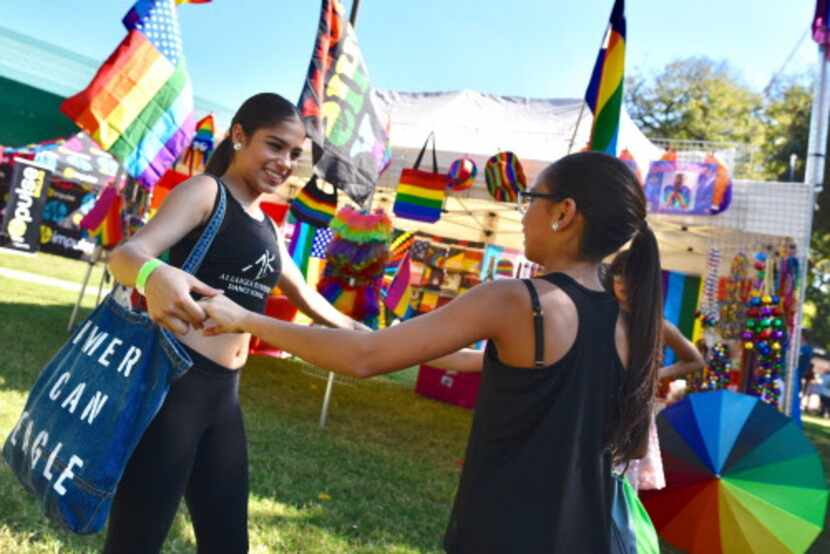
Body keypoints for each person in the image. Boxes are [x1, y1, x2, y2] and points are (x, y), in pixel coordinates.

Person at [199, 151, 663, 553]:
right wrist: (379, 337)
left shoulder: (520, 301)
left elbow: (363, 359)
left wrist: (246, 319)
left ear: (564, 212)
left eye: (532, 199)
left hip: (505, 535)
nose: (523, 214)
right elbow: (502, 370)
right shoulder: (630, 322)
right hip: (591, 538)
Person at [105, 93, 366, 554]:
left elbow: (309, 300)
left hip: (223, 398)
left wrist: (374, 338)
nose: (284, 163)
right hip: (172, 389)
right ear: (239, 135)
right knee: (136, 540)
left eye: (294, 155)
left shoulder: (268, 227)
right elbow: (126, 255)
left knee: (227, 542)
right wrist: (155, 274)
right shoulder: (206, 193)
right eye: (274, 146)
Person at [604, 249, 705, 490]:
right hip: (598, 406)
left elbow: (695, 360)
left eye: (632, 277)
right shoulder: (601, 315)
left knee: (621, 484)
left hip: (632, 412)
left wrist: (656, 374)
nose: (624, 284)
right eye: (619, 276)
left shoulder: (658, 325)